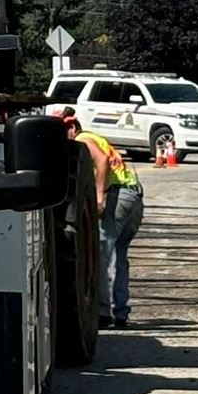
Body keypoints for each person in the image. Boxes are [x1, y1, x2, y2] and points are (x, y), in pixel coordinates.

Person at [56, 108, 145, 329]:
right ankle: (121, 312)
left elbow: (102, 161)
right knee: (119, 256)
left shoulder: (83, 139)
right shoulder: (97, 138)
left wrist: (99, 195)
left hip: (117, 197)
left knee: (101, 255)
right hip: (133, 197)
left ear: (72, 127)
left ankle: (103, 313)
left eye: (62, 131)